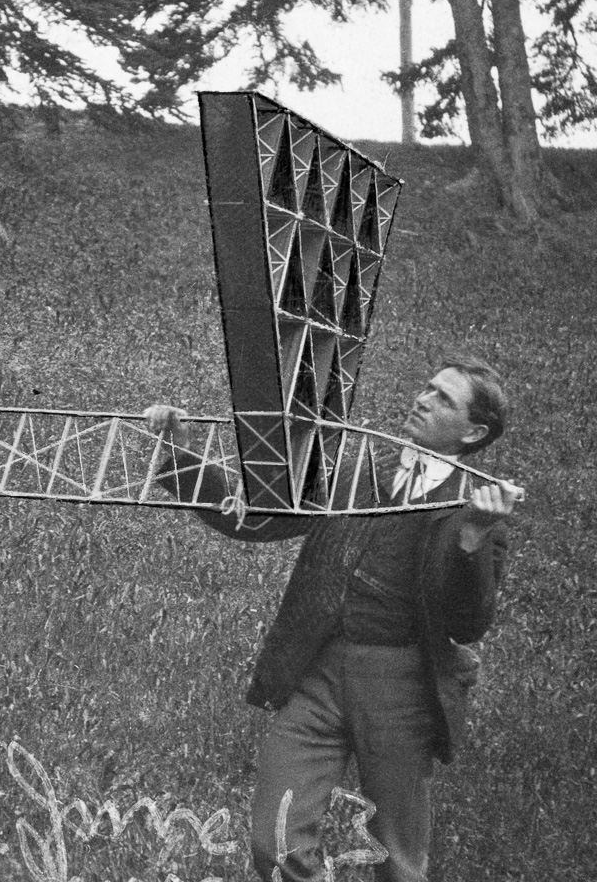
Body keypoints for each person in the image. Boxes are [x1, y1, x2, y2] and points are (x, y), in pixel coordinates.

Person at [146, 356, 521, 882]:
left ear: (473, 431)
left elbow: (469, 624)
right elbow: (259, 516)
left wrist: (473, 538)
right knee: (275, 838)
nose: (422, 399)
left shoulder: (477, 508)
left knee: (397, 857)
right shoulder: (356, 471)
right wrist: (181, 454)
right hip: (316, 673)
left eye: (443, 399)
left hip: (401, 685)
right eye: (427, 387)